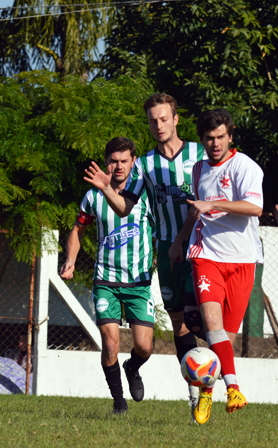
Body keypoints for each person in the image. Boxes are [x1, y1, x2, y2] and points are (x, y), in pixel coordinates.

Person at [84, 93, 206, 418]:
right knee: (181, 326)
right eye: (153, 120)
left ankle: (219, 376)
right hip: (168, 252)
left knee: (203, 319)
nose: (158, 124)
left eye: (164, 118)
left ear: (176, 119)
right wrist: (107, 189)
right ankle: (197, 396)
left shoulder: (198, 153)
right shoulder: (145, 164)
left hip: (204, 245)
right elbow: (125, 207)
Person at [63, 137, 155, 415]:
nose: (118, 166)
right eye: (113, 160)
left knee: (144, 346)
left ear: (133, 162)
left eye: (124, 160)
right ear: (106, 162)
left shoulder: (145, 194)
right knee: (111, 343)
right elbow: (77, 231)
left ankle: (133, 367)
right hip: (106, 281)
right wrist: (70, 260)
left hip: (138, 282)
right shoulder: (93, 196)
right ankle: (118, 402)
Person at [183, 108, 264, 424]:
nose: (214, 143)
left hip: (242, 261)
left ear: (230, 136)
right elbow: (197, 209)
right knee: (213, 327)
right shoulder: (199, 169)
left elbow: (255, 207)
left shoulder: (245, 166)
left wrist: (213, 204)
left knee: (223, 344)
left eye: (220, 137)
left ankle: (205, 395)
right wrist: (180, 242)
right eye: (209, 138)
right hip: (207, 257)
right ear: (202, 140)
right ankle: (234, 389)